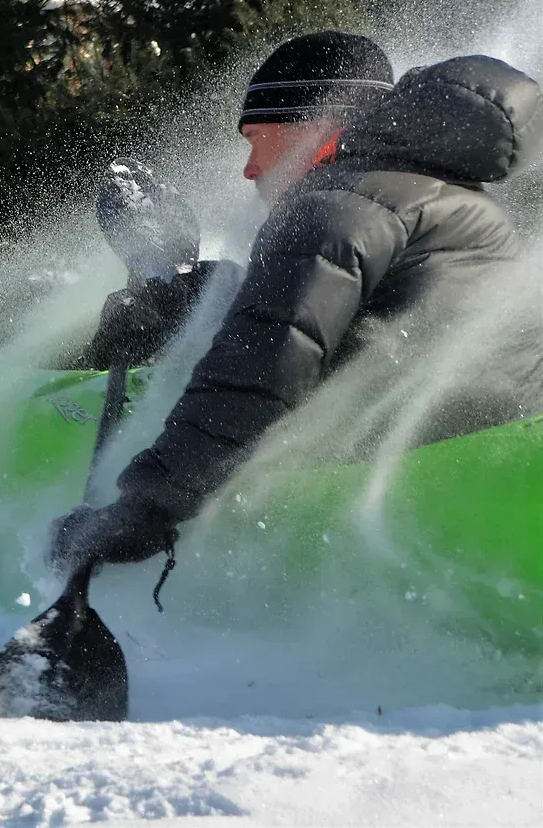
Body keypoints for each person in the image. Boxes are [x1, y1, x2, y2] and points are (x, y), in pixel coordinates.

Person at [47, 30, 543, 576]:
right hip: (498, 446)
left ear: (313, 126)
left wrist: (143, 508)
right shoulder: (445, 196)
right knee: (202, 306)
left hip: (433, 474)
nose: (249, 168)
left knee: (212, 336)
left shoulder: (337, 207)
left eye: (256, 138)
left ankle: (166, 293)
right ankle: (172, 290)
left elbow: (261, 374)